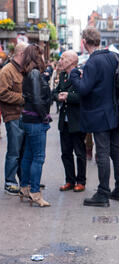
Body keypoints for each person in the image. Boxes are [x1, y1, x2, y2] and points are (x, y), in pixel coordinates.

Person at [70, 26, 119, 207]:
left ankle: (103, 193)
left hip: (99, 115)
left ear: (84, 42)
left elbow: (84, 89)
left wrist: (74, 76)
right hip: (115, 112)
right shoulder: (114, 57)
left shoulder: (93, 62)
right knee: (116, 152)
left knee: (102, 153)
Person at [20, 44, 52, 207]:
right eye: (40, 54)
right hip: (35, 121)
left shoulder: (28, 72)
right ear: (35, 56)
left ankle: (25, 188)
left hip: (28, 119)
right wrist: (45, 116)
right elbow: (37, 99)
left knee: (28, 155)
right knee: (38, 157)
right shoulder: (34, 73)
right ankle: (34, 192)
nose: (43, 57)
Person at [53, 50, 86, 193]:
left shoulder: (80, 75)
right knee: (65, 153)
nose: (60, 61)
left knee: (79, 153)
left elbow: (83, 96)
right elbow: (54, 92)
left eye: (63, 58)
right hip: (64, 120)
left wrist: (68, 96)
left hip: (77, 120)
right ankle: (69, 180)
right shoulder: (62, 75)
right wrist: (58, 96)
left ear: (72, 61)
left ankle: (81, 181)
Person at [0, 42, 28, 196]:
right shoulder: (6, 71)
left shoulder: (21, 70)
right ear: (21, 54)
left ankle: (23, 180)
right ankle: (10, 182)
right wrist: (23, 98)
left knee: (22, 150)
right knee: (14, 151)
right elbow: (2, 93)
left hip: (22, 115)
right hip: (13, 115)